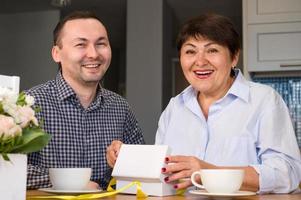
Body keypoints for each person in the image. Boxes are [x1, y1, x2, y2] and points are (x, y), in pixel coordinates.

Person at [107, 13, 301, 194]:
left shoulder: (264, 100)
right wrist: (126, 159)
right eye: (190, 51)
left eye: (212, 50)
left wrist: (207, 172)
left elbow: (287, 173)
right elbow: (164, 173)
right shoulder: (175, 107)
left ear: (234, 57)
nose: (200, 61)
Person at [26, 10, 144, 190]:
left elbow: (141, 174)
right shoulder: (28, 105)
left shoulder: (121, 107)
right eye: (81, 44)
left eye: (101, 43)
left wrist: (124, 159)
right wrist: (71, 184)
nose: (93, 54)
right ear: (57, 53)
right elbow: (7, 168)